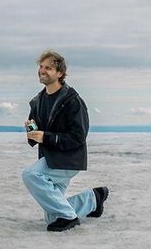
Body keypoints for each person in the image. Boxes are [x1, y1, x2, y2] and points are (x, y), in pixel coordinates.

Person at [22, 50, 109, 231]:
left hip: (68, 160)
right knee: (52, 217)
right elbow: (37, 134)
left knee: (31, 175)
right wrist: (32, 132)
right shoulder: (37, 101)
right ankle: (94, 199)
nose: (42, 70)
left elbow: (78, 136)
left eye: (48, 68)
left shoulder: (72, 101)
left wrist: (46, 137)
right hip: (50, 158)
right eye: (41, 67)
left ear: (60, 73)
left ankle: (69, 218)